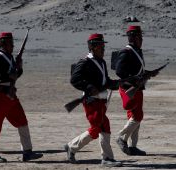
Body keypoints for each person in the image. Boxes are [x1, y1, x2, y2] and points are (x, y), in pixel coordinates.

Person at [0, 32, 43, 163]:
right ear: (3, 43)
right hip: (0, 95)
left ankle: (27, 151)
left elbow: (14, 76)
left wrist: (19, 68)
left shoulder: (9, 57)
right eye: (10, 42)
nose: (13, 45)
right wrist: (7, 76)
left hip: (10, 95)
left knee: (22, 121)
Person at [64, 33, 122, 167]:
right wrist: (89, 87)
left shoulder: (101, 62)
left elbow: (105, 81)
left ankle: (106, 157)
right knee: (97, 129)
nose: (103, 49)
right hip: (91, 101)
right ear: (93, 47)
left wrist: (115, 84)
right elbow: (75, 80)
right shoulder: (84, 62)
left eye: (103, 45)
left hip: (101, 100)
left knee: (104, 126)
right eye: (101, 46)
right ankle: (72, 147)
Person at [115, 25, 152, 156]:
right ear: (133, 38)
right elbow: (119, 71)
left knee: (136, 116)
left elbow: (137, 69)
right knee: (137, 116)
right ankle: (121, 137)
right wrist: (134, 79)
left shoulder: (137, 51)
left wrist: (146, 74)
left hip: (138, 87)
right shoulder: (126, 52)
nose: (141, 39)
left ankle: (133, 146)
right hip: (130, 88)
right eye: (139, 36)